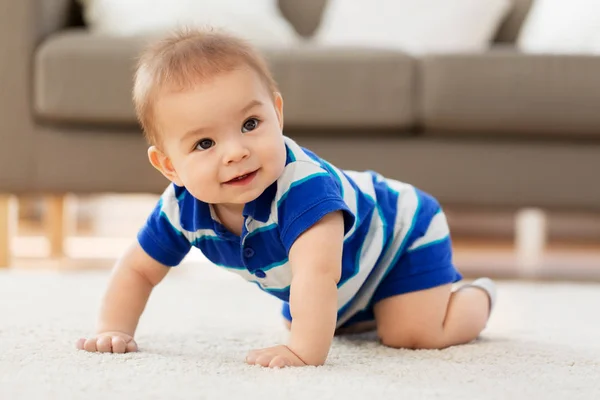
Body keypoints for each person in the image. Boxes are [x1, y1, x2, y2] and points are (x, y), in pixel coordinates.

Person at [76, 28, 497, 368]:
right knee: (314, 311)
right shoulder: (180, 207)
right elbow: (137, 270)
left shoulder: (304, 190)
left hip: (401, 235)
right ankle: (360, 311)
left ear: (277, 113)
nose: (236, 151)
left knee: (410, 336)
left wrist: (302, 351)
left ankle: (476, 298)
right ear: (169, 166)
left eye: (251, 123)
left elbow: (317, 275)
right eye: (204, 144)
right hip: (348, 271)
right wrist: (114, 328)